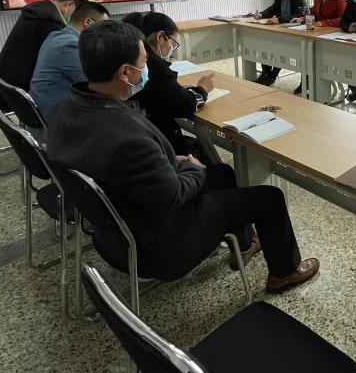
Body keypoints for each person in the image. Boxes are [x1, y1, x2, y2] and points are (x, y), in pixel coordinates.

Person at [46, 20, 320, 292]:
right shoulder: (125, 136)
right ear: (126, 72)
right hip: (160, 243)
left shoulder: (65, 110)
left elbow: (127, 168)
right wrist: (192, 168)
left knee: (223, 173)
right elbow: (171, 197)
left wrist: (169, 160)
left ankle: (244, 243)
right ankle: (284, 273)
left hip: (117, 231)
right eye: (144, 63)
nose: (148, 69)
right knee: (269, 198)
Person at [131, 11, 215, 156]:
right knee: (204, 153)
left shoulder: (134, 54)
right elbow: (186, 105)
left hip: (143, 132)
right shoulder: (154, 66)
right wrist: (202, 89)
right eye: (173, 43)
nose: (172, 49)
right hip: (158, 143)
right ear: (160, 36)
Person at [0, 0, 88, 105]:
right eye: (78, 14)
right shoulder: (50, 22)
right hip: (18, 90)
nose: (77, 19)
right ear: (69, 4)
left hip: (3, 82)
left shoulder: (37, 12)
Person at [29, 1, 109, 121]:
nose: (106, 34)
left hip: (44, 110)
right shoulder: (71, 45)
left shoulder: (55, 36)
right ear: (88, 22)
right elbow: (94, 85)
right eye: (104, 28)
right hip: (57, 118)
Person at [289, 0, 346, 94]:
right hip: (317, 34)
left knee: (317, 58)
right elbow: (314, 15)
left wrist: (324, 23)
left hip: (332, 37)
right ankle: (306, 82)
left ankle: (317, 86)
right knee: (306, 54)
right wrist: (303, 19)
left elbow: (343, 20)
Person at [251, 0, 308, 86]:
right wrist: (261, 14)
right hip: (282, 31)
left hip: (296, 33)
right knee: (265, 46)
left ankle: (272, 76)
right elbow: (272, 9)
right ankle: (266, 74)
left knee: (280, 49)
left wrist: (279, 19)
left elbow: (300, 15)